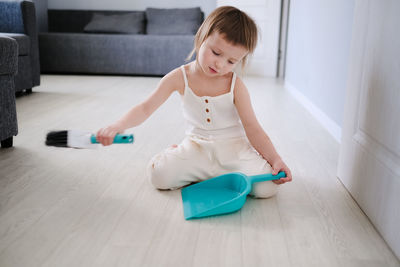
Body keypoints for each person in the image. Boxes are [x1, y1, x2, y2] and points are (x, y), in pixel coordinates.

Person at [96, 6, 292, 198]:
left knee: (267, 187)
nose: (220, 64)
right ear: (201, 37)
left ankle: (214, 175)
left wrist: (275, 159)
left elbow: (253, 127)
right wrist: (117, 126)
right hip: (196, 147)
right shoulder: (179, 77)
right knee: (159, 177)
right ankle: (176, 155)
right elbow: (146, 108)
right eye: (216, 52)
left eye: (231, 61)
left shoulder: (235, 85)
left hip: (234, 149)